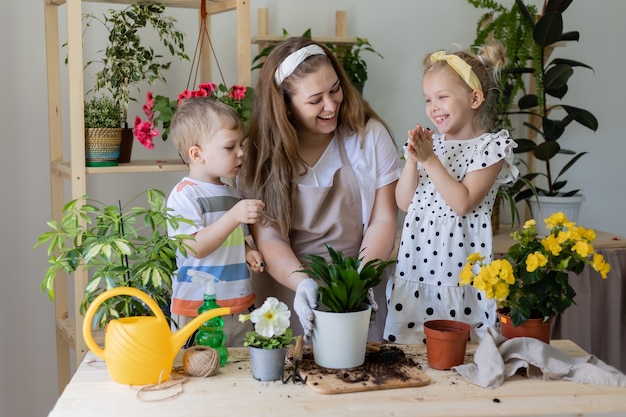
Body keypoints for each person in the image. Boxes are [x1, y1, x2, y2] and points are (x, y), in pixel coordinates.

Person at [240, 37, 400, 340]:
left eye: (335, 89)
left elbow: (383, 220)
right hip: (287, 287)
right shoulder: (258, 153)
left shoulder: (368, 137)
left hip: (358, 284)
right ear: (285, 106)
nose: (330, 105)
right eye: (315, 100)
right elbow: (269, 237)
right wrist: (303, 285)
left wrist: (359, 282)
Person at [383, 43, 519, 344]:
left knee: (461, 350)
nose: (433, 107)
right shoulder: (432, 148)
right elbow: (405, 202)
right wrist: (414, 160)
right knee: (413, 348)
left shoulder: (490, 147)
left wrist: (430, 160)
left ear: (474, 98)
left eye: (442, 97)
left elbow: (462, 202)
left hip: (460, 270)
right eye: (428, 99)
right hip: (418, 265)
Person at [166, 96, 266, 346]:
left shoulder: (231, 192)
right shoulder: (184, 195)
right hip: (197, 310)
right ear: (197, 154)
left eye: (240, 145)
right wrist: (233, 216)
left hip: (237, 304)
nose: (241, 152)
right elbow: (195, 247)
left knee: (237, 370)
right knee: (197, 371)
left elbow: (227, 237)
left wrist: (246, 251)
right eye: (229, 147)